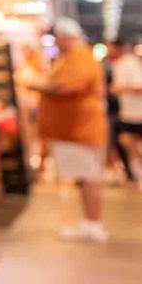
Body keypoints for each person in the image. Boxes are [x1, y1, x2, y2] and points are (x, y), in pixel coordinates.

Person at [24, 17, 109, 242]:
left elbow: (66, 87)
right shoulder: (72, 57)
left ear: (65, 37)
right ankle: (91, 222)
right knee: (85, 177)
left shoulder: (79, 57)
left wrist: (34, 84)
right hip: (74, 129)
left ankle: (93, 224)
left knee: (88, 176)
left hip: (79, 130)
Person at [111, 39, 142, 186]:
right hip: (128, 113)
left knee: (129, 142)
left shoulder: (130, 64)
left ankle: (136, 172)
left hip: (135, 113)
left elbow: (138, 87)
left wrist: (121, 88)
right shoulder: (121, 64)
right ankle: (135, 173)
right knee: (127, 142)